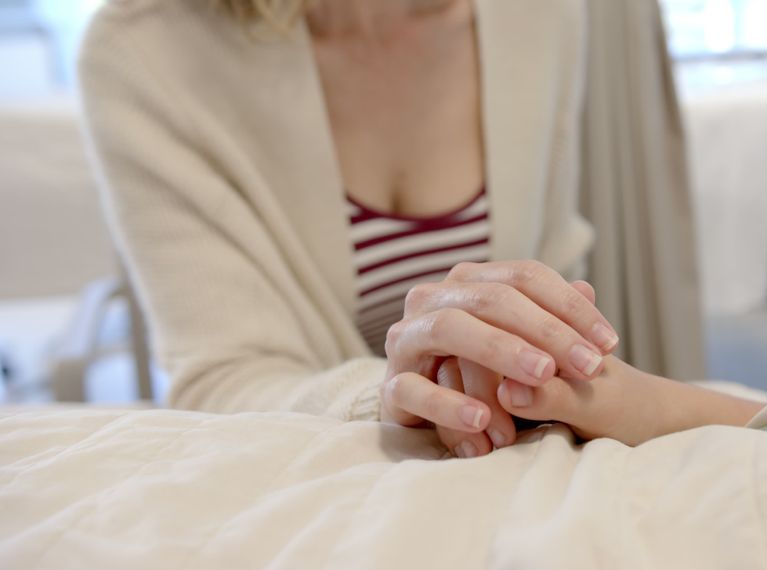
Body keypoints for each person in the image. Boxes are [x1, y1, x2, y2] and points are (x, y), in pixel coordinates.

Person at [79, 0, 618, 457]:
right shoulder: (142, 53)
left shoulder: (539, 13)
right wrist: (390, 398)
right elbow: (222, 377)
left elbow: (554, 280)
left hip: (504, 475)